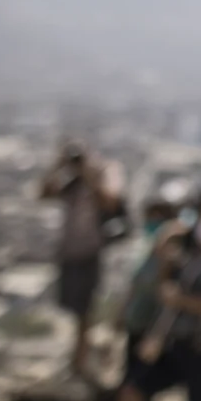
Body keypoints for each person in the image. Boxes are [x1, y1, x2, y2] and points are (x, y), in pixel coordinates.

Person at [122, 188, 201, 401]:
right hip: (175, 342)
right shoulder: (188, 253)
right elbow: (164, 292)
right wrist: (163, 246)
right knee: (133, 390)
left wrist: (182, 300)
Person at [39, 139, 126, 379]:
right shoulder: (71, 182)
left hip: (89, 253)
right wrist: (57, 167)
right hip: (69, 252)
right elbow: (44, 194)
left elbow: (110, 201)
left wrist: (89, 173)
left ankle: (80, 362)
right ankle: (75, 359)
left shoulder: (104, 173)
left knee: (84, 312)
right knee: (71, 308)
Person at [116, 202, 187, 400]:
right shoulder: (145, 251)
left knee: (136, 388)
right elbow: (134, 286)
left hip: (152, 331)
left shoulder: (173, 258)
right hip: (135, 327)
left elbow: (168, 298)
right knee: (130, 384)